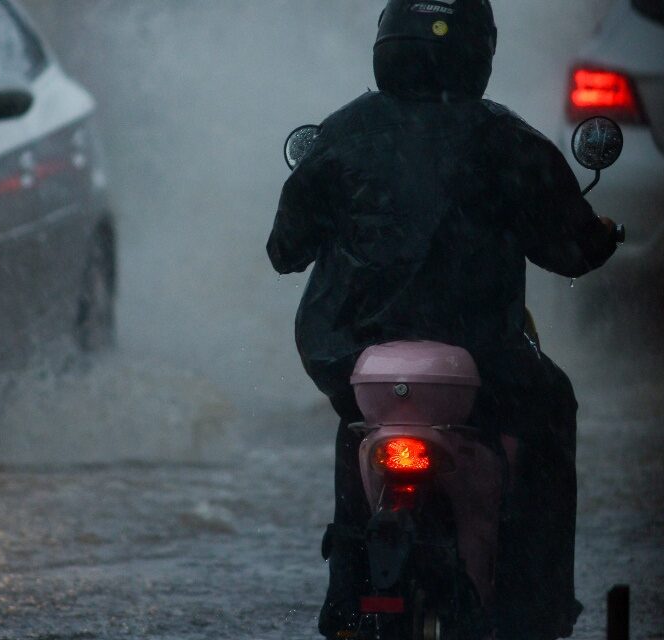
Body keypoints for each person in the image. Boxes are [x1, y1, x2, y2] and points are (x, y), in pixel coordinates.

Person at [265, 1, 620, 638]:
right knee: (552, 403)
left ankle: (346, 600)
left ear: (386, 44)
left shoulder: (342, 134)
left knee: (356, 429)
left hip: (352, 354)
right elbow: (571, 246)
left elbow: (284, 250)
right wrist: (602, 236)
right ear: (479, 51)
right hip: (484, 358)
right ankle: (536, 608)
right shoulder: (507, 139)